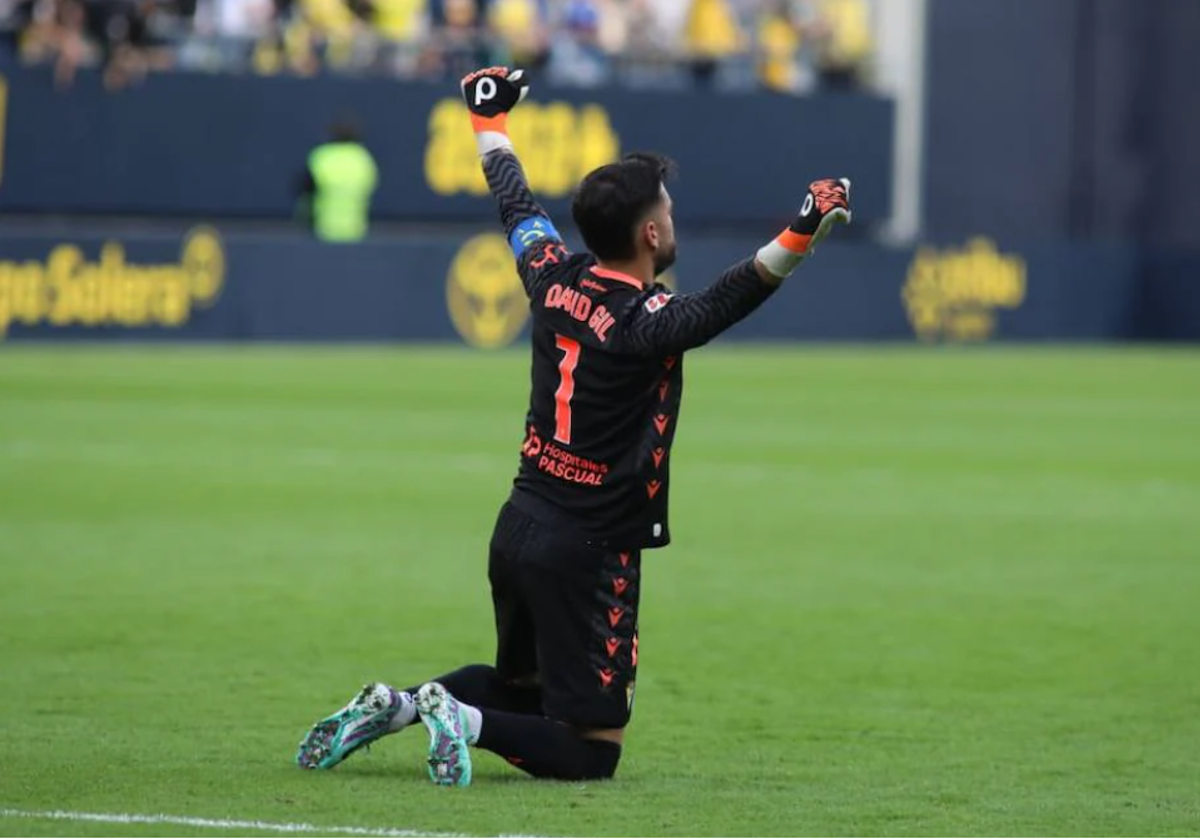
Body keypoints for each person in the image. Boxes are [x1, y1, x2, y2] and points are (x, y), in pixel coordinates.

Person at [295, 66, 851, 786]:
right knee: (595, 747)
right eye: (670, 214)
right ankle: (459, 719)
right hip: (588, 548)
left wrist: (488, 121)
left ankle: (400, 705)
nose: (673, 223)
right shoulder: (644, 322)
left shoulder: (550, 274)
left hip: (520, 522)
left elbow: (515, 202)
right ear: (650, 233)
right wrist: (804, 224)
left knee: (523, 685)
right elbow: (732, 295)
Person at [298, 118, 378, 242]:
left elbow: (305, 190)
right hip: (357, 231)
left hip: (322, 231)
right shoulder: (363, 158)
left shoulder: (322, 157)